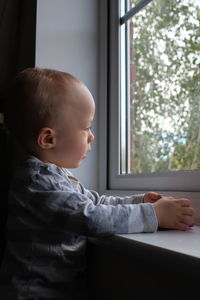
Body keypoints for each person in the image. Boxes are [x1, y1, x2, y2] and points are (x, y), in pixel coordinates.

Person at [0, 68, 194, 300]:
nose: (91, 136)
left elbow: (96, 201)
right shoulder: (35, 182)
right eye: (85, 128)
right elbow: (91, 217)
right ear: (48, 139)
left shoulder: (56, 176)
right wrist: (152, 215)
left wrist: (138, 200)